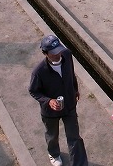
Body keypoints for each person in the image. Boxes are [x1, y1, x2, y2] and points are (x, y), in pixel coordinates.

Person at [29, 35, 89, 166]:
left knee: (74, 137)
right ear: (45, 53)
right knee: (52, 135)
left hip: (69, 104)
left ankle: (79, 163)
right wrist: (48, 101)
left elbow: (71, 72)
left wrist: (75, 89)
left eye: (59, 50)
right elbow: (33, 91)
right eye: (54, 53)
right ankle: (54, 153)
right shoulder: (39, 72)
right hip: (50, 111)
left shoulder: (67, 55)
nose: (58, 54)